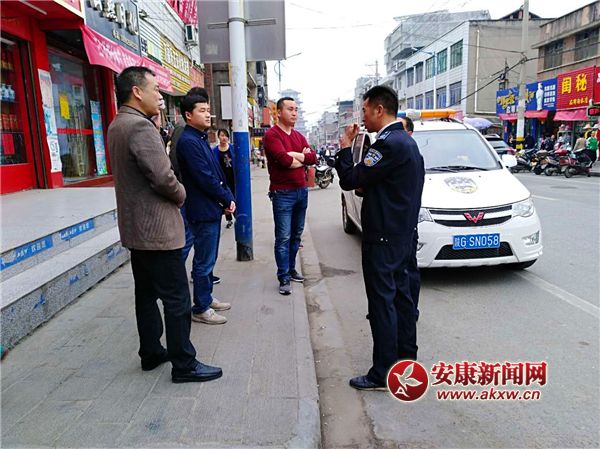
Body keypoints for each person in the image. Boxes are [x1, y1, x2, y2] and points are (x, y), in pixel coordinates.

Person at [107, 66, 222, 383]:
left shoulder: (118, 124)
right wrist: (182, 194)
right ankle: (184, 364)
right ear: (137, 92)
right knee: (177, 299)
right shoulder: (140, 127)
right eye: (155, 89)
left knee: (145, 294)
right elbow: (163, 177)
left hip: (136, 229)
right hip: (157, 230)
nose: (160, 95)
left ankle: (151, 352)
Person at [335, 86, 424, 391]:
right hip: (402, 235)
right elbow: (380, 185)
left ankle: (383, 372)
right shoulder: (407, 142)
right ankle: (406, 361)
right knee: (402, 300)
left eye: (364, 110)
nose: (362, 116)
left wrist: (346, 147)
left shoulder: (388, 144)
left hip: (384, 238)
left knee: (383, 303)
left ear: (378, 109)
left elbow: (351, 179)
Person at [176, 94, 235, 325]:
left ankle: (207, 297)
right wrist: (225, 197)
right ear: (188, 115)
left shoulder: (200, 138)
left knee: (209, 259)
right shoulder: (188, 142)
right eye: (202, 110)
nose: (208, 114)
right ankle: (201, 307)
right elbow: (205, 177)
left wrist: (227, 196)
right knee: (203, 261)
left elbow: (216, 173)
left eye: (208, 110)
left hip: (210, 208)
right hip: (201, 209)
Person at [263, 97, 317, 295]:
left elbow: (313, 157)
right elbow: (285, 161)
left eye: (296, 109)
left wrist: (294, 155)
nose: (294, 113)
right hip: (282, 193)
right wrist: (301, 157)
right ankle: (283, 276)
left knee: (296, 235)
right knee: (283, 237)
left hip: (301, 191)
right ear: (278, 112)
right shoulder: (271, 135)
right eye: (290, 109)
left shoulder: (299, 136)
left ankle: (292, 269)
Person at [398, 116, 420, 322]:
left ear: (410, 134)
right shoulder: (394, 151)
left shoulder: (412, 155)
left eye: (400, 128)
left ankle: (411, 311)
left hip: (407, 225)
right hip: (397, 227)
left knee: (409, 270)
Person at [213, 129, 236, 229]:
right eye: (222, 135)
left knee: (235, 196)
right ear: (218, 137)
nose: (224, 138)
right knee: (226, 198)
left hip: (233, 176)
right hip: (222, 178)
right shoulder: (215, 151)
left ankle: (236, 215)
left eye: (226, 136)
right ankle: (229, 218)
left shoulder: (232, 148)